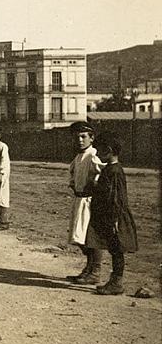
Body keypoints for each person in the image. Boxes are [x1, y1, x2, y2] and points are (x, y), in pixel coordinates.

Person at [86, 133, 138, 295]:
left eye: (99, 150)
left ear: (108, 150)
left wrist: (115, 220)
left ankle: (116, 283)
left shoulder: (115, 171)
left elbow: (117, 196)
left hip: (114, 217)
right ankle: (114, 281)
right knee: (113, 248)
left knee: (117, 250)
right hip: (109, 216)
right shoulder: (109, 169)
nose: (97, 153)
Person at [65, 121, 104, 284]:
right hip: (79, 199)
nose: (80, 140)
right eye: (77, 137)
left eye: (83, 136)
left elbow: (102, 173)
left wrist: (94, 183)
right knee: (79, 236)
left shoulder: (93, 155)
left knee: (91, 237)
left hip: (90, 201)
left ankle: (95, 270)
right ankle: (88, 268)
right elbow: (73, 173)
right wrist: (73, 182)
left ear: (92, 138)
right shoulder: (79, 156)